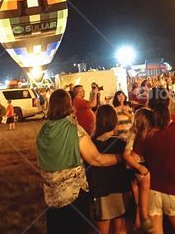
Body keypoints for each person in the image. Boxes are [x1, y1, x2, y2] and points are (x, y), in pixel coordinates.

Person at [37, 89, 120, 234]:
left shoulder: (43, 130)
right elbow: (96, 159)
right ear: (69, 105)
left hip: (51, 196)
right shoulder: (73, 129)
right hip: (73, 196)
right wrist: (120, 157)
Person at [134, 88, 175, 234]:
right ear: (168, 103)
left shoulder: (144, 133)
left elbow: (134, 158)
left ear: (149, 105)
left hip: (152, 192)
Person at [88, 105, 134, 234]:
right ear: (114, 121)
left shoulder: (90, 145)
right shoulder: (121, 144)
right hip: (120, 190)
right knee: (120, 229)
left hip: (101, 192)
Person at [125, 108, 154, 233]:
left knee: (138, 194)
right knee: (143, 187)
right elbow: (126, 154)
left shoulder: (147, 134)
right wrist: (138, 167)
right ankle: (144, 218)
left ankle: (139, 221)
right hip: (136, 165)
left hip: (140, 164)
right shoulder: (133, 134)